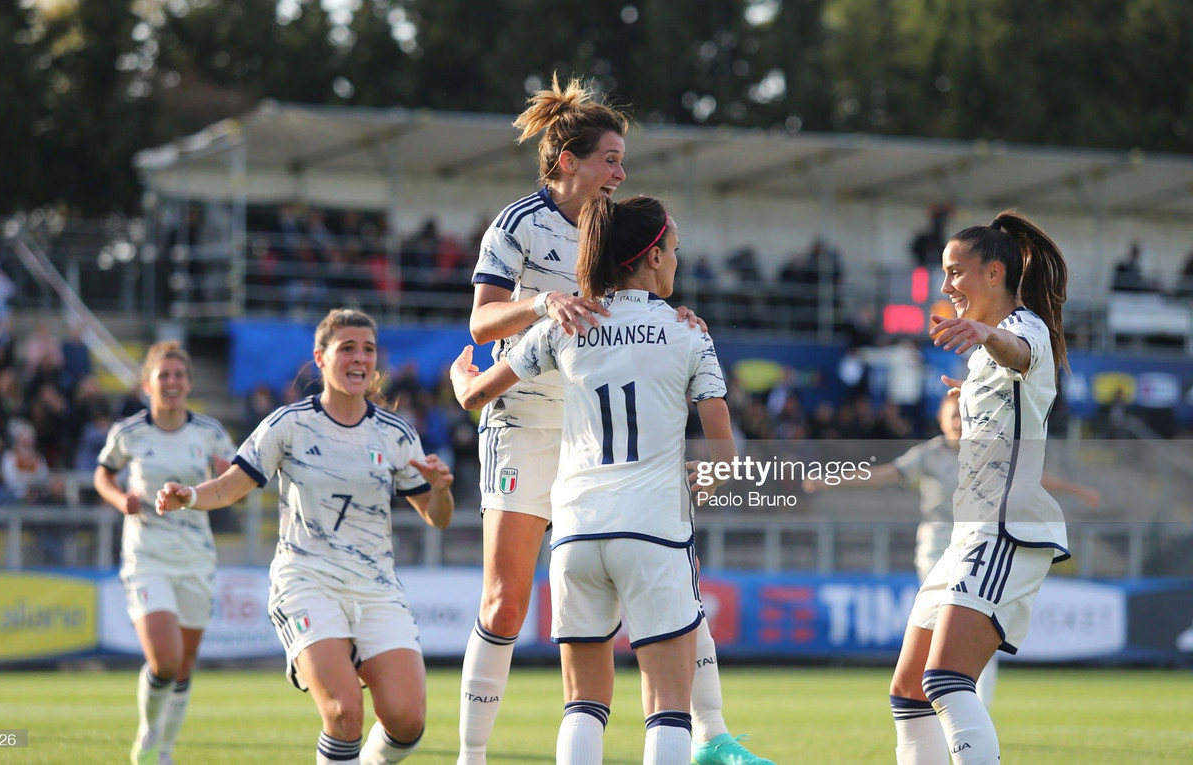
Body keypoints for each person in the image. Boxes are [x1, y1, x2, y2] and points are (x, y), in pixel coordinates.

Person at [460, 75, 770, 765]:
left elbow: (631, 301)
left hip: (585, 427)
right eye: (610, 158)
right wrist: (546, 304)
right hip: (523, 423)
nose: (621, 172)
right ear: (568, 159)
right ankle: (471, 754)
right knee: (509, 604)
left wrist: (674, 314)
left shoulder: (611, 224)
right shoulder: (516, 223)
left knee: (659, 601)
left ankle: (715, 736)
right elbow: (480, 323)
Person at [155, 309, 454, 765]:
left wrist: (440, 491)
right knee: (342, 712)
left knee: (407, 720)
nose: (359, 358)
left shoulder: (395, 434)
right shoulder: (288, 424)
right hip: (306, 582)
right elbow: (233, 484)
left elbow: (437, 518)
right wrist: (190, 495)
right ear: (320, 358)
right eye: (347, 348)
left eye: (368, 349)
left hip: (376, 590)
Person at [888, 210, 1072, 765]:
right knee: (910, 691)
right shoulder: (984, 352)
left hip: (1003, 527)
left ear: (994, 273)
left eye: (955, 272)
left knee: (945, 680)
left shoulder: (1024, 328)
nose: (945, 286)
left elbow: (1018, 352)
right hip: (967, 535)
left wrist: (986, 336)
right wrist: (967, 389)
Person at [803, 392, 1098, 707]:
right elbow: (883, 475)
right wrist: (829, 480)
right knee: (939, 626)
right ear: (941, 421)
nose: (959, 422)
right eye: (952, 417)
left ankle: (976, 709)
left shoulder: (989, 452)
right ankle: (933, 704)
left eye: (963, 416)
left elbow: (1031, 477)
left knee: (977, 625)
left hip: (978, 542)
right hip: (937, 544)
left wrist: (1075, 489)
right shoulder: (928, 455)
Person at [94, 341, 235, 765]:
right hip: (146, 558)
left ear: (188, 383)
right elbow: (103, 474)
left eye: (178, 376)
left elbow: (233, 488)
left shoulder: (210, 432)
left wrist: (228, 480)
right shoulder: (129, 432)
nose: (171, 383)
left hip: (195, 557)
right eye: (163, 375)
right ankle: (148, 736)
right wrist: (122, 501)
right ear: (147, 384)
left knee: (185, 663)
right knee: (165, 659)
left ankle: (164, 751)